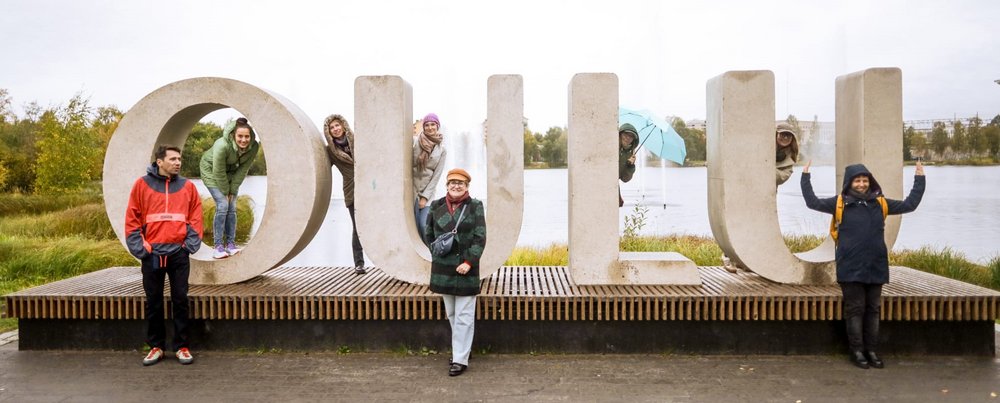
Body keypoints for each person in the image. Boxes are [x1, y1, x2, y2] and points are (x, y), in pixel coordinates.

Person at [801, 160, 925, 369]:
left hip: (876, 265)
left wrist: (919, 178)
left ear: (870, 181)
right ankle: (856, 351)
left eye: (864, 180)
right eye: (857, 180)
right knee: (855, 309)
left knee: (873, 310)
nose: (861, 184)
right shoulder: (839, 203)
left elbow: (909, 205)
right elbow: (812, 202)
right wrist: (805, 177)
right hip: (849, 266)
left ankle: (871, 350)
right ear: (849, 183)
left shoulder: (881, 203)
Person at [125, 145, 203, 366]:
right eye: (173, 159)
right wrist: (142, 250)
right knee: (154, 302)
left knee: (180, 300)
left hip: (179, 254)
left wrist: (188, 246)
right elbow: (132, 217)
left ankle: (182, 347)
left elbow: (196, 217)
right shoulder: (141, 185)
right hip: (152, 255)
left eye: (179, 159)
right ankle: (156, 347)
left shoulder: (188, 187)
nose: (178, 162)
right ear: (159, 162)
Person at [422, 168, 486, 377]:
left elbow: (480, 237)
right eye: (452, 182)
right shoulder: (436, 206)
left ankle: (460, 358)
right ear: (447, 185)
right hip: (442, 267)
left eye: (461, 183)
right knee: (451, 313)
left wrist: (469, 261)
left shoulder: (475, 206)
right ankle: (463, 350)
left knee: (464, 316)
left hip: (466, 268)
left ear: (467, 186)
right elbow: (428, 232)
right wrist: (435, 252)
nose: (456, 186)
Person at [199, 117, 260, 259]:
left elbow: (243, 169)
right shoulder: (222, 145)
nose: (243, 140)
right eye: (240, 136)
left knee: (232, 206)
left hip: (231, 173)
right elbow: (218, 171)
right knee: (223, 204)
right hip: (211, 171)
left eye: (247, 136)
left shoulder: (253, 147)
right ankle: (218, 246)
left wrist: (232, 190)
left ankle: (231, 244)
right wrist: (226, 192)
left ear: (251, 137)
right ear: (233, 135)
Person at [323, 114, 366, 274]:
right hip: (351, 190)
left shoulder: (358, 140)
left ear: (343, 125)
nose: (335, 129)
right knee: (357, 227)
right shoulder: (330, 151)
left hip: (368, 189)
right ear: (329, 132)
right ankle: (359, 263)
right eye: (331, 127)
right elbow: (323, 168)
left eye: (337, 125)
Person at [413, 113, 448, 238]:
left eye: (433, 124)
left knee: (424, 226)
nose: (430, 127)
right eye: (426, 125)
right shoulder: (415, 142)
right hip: (412, 192)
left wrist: (425, 197)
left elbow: (436, 176)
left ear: (437, 126)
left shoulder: (442, 150)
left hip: (427, 194)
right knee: (414, 227)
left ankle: (429, 255)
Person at [618, 123, 639, 207]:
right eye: (626, 134)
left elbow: (625, 179)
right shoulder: (610, 146)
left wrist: (630, 166)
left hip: (612, 188)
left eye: (631, 136)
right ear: (620, 134)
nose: (628, 138)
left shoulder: (629, 155)